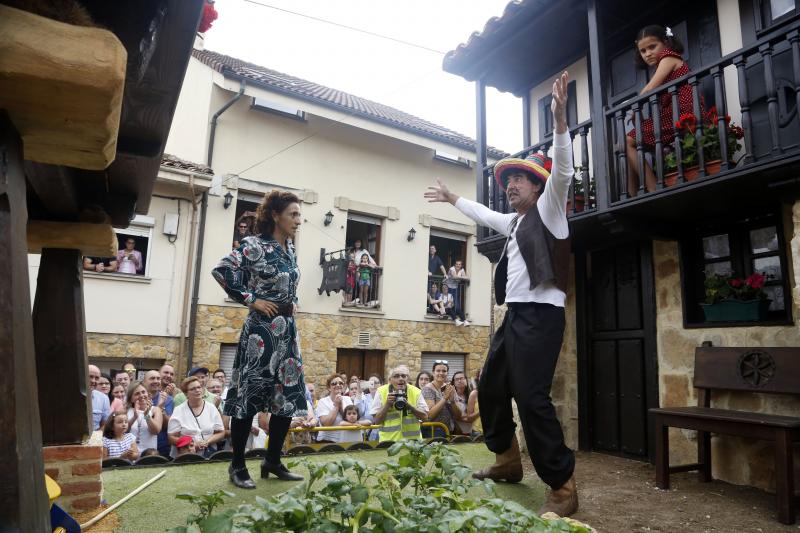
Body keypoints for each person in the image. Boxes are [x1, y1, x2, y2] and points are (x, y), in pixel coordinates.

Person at [424, 72, 578, 517]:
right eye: (507, 180)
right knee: (490, 386)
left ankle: (563, 485)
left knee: (531, 397)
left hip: (542, 316)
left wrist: (560, 122)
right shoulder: (513, 222)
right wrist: (453, 197)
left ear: (538, 187)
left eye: (519, 180)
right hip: (515, 317)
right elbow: (483, 213)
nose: (510, 185)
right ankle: (508, 460)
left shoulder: (550, 210)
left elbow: (563, 171)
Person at [212, 190, 307, 489]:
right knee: (249, 397)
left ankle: (272, 461)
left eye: (299, 214)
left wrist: (292, 302)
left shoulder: (290, 248)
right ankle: (237, 465)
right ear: (275, 215)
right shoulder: (254, 245)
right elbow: (222, 270)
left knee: (286, 397)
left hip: (287, 332)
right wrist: (251, 299)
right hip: (261, 332)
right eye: (293, 214)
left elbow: (287, 284)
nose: (299, 220)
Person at [626, 25, 699, 196]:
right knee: (626, 144)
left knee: (627, 142)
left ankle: (651, 187)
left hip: (683, 112)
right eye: (643, 50)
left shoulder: (669, 57)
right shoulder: (663, 62)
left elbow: (651, 87)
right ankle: (631, 194)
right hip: (672, 114)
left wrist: (634, 107)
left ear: (665, 42)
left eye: (652, 47)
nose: (647, 53)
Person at [168, 376, 225, 458]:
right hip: (185, 456)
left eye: (199, 387)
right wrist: (192, 444)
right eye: (193, 389)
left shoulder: (211, 408)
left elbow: (221, 432)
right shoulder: (179, 410)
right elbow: (171, 437)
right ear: (186, 394)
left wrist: (207, 442)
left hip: (208, 454)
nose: (197, 390)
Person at [369, 365, 428, 442]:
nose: (401, 379)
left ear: (407, 379)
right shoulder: (381, 391)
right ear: (390, 379)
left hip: (413, 442)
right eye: (396, 376)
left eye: (403, 376)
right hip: (389, 442)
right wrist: (387, 405)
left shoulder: (416, 392)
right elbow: (376, 421)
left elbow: (425, 417)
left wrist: (409, 406)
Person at [421, 360, 460, 438]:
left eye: (444, 371)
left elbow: (458, 415)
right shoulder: (427, 389)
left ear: (447, 373)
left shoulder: (450, 388)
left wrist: (452, 401)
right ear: (433, 373)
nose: (441, 373)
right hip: (433, 431)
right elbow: (429, 415)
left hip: (450, 430)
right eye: (438, 371)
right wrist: (445, 398)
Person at [143, 369, 174, 457]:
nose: (156, 381)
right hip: (142, 443)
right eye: (152, 378)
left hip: (161, 445)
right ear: (144, 381)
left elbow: (169, 425)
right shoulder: (139, 397)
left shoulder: (167, 399)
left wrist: (161, 408)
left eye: (158, 378)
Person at [126, 381, 163, 452]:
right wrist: (134, 417)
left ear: (148, 394)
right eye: (137, 394)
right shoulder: (126, 411)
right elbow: (123, 431)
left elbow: (155, 431)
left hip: (148, 454)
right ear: (131, 399)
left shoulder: (155, 410)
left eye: (143, 392)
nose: (141, 395)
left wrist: (146, 415)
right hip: (131, 453)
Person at [315, 374, 353, 443]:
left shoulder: (348, 399)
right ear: (329, 388)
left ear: (344, 386)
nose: (338, 385)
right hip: (327, 441)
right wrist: (336, 406)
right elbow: (326, 424)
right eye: (334, 383)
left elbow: (352, 420)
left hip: (345, 440)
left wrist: (341, 408)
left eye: (341, 383)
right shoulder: (323, 401)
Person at [452, 371, 479, 437]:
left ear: (466, 380)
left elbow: (470, 415)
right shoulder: (451, 396)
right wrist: (469, 418)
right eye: (457, 379)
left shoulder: (472, 394)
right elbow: (456, 416)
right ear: (453, 382)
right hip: (456, 430)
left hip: (472, 430)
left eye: (461, 378)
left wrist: (468, 417)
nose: (459, 381)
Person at [446, 260, 470, 326]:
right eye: (457, 264)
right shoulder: (452, 269)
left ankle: (464, 320)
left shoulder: (462, 270)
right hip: (448, 288)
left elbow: (467, 278)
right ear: (455, 265)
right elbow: (454, 277)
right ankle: (457, 320)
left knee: (457, 305)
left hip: (455, 289)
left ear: (461, 265)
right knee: (450, 304)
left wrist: (460, 277)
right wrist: (462, 277)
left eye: (459, 264)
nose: (458, 265)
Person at [89, 365, 111, 431]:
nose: (93, 380)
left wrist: (96, 436)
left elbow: (104, 424)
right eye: (90, 376)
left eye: (97, 378)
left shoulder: (104, 398)